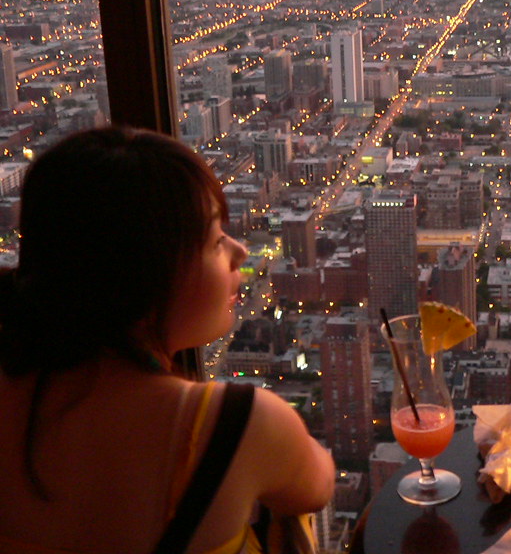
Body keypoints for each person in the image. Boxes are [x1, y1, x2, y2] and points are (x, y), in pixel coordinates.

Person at [0, 127, 335, 554]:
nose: (240, 252)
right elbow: (317, 486)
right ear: (146, 276)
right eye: (216, 240)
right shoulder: (238, 425)